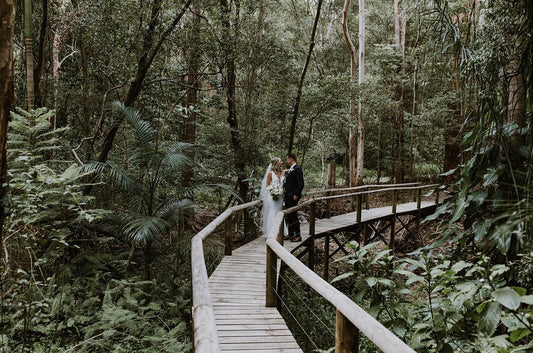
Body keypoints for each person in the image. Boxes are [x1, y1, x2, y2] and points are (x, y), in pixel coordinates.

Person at [260, 157, 285, 237]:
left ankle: (281, 231)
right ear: (276, 163)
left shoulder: (282, 172)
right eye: (280, 161)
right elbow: (267, 185)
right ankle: (271, 232)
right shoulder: (270, 173)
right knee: (272, 212)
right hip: (272, 196)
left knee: (279, 212)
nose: (282, 162)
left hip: (280, 196)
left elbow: (290, 170)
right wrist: (273, 191)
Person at [283, 153, 304, 242]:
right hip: (288, 195)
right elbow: (290, 183)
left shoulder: (297, 169)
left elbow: (301, 183)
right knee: (289, 215)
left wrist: (296, 194)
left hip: (293, 196)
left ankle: (298, 235)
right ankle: (291, 234)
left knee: (293, 215)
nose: (286, 161)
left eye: (287, 159)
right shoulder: (291, 169)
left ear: (291, 159)